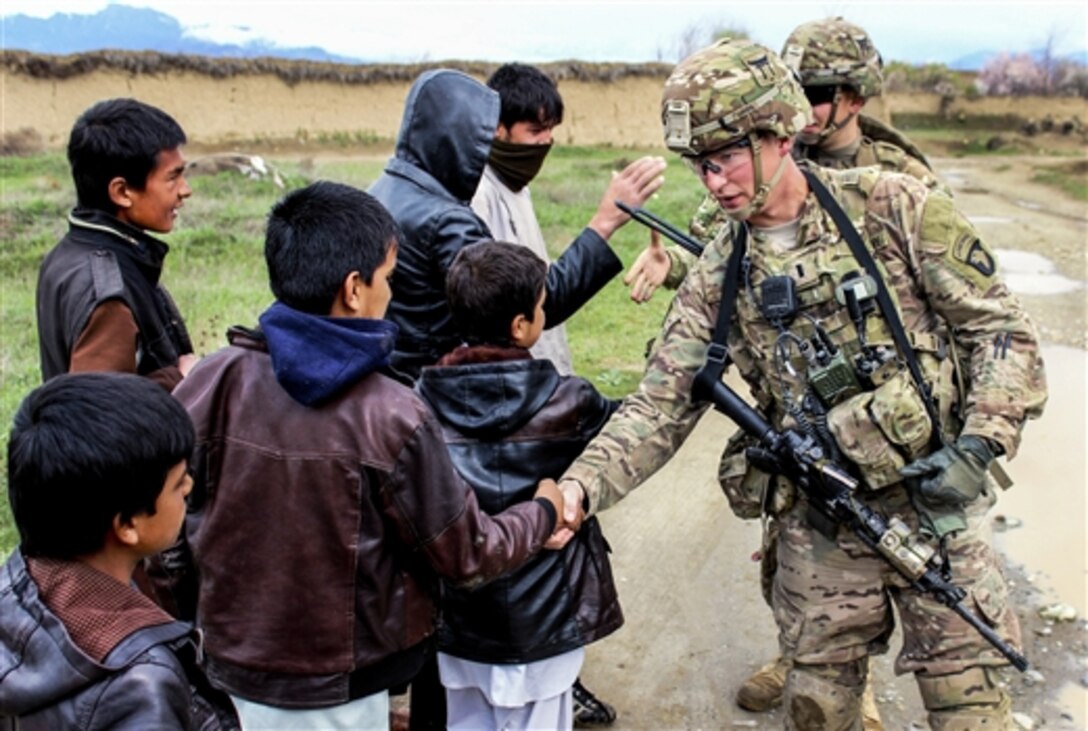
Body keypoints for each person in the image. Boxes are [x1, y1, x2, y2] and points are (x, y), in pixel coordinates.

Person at [552, 39, 1046, 730]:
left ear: (778, 133)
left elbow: (1001, 331)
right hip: (822, 527)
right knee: (818, 710)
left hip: (938, 503)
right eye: (701, 164)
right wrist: (577, 488)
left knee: (972, 710)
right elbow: (660, 403)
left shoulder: (896, 208)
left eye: (724, 157)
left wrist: (980, 445)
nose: (713, 180)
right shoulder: (721, 268)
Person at [147, 181, 566, 730]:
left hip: (227, 666)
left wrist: (191, 616)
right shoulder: (392, 414)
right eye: (388, 278)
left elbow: (168, 537)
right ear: (353, 288)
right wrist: (544, 512)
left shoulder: (210, 379)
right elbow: (466, 555)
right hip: (339, 681)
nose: (389, 294)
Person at [468, 62, 622, 726]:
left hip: (536, 397)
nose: (544, 146)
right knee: (543, 547)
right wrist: (604, 225)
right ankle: (554, 676)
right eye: (535, 132)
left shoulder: (512, 188)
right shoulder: (477, 199)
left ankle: (561, 671)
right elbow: (533, 300)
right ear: (497, 127)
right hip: (518, 410)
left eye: (554, 133)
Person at [416, 241, 623, 730]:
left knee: (466, 720)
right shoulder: (571, 401)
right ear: (520, 325)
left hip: (460, 619)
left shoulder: (417, 405)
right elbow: (630, 426)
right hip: (546, 619)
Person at [369, 68, 665, 381]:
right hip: (441, 394)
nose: (546, 141)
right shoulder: (450, 217)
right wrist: (604, 222)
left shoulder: (383, 191)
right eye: (483, 132)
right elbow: (518, 302)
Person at [625, 17, 945, 306]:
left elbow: (953, 288)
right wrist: (672, 262)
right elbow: (717, 248)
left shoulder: (903, 180)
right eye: (795, 87)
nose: (799, 101)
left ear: (856, 97)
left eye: (816, 93)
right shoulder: (764, 167)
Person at [0, 373, 238, 729]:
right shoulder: (141, 690)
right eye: (177, 487)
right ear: (127, 525)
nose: (189, 484)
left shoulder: (16, 590)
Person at [36, 98, 198, 390]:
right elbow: (98, 417)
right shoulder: (108, 293)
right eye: (172, 177)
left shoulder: (69, 252)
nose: (185, 190)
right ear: (122, 192)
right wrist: (183, 378)